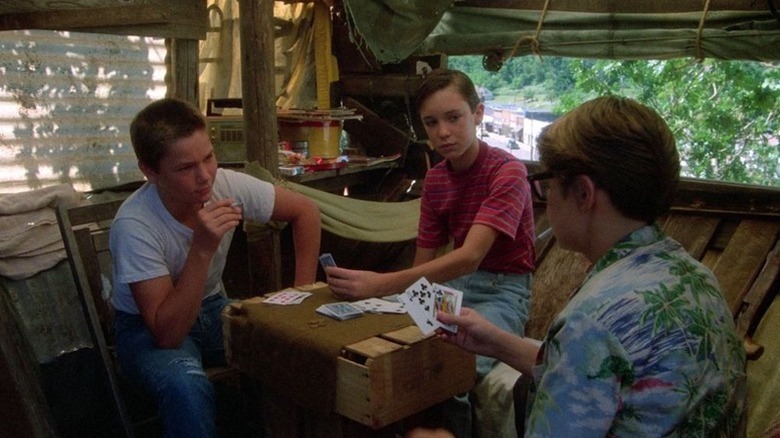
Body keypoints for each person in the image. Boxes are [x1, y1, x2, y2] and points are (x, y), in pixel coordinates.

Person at [409, 96, 747, 437]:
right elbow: (594, 369)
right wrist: (497, 342)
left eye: (549, 182)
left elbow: (589, 351)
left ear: (584, 194)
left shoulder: (590, 321)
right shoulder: (694, 275)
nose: (547, 195)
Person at [325, 68, 536, 436]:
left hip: (503, 289)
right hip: (453, 285)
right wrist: (398, 304)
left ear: (478, 114)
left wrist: (380, 285)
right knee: (384, 351)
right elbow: (424, 265)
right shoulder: (437, 180)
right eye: (431, 122)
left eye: (454, 118)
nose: (443, 132)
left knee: (449, 370)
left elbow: (471, 255)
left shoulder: (507, 173)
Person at [109, 98, 321, 438]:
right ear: (150, 172)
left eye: (208, 157)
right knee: (186, 386)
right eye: (185, 168)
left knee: (293, 348)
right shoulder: (135, 226)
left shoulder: (225, 184)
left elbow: (306, 212)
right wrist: (202, 249)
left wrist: (302, 294)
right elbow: (168, 334)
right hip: (146, 331)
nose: (204, 176)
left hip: (212, 308)